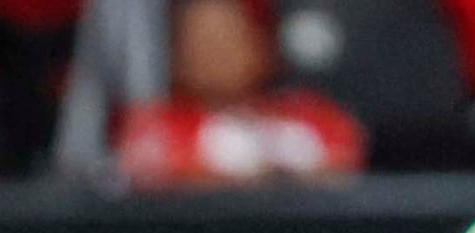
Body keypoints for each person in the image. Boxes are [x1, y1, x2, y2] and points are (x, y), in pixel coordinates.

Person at [113, 0, 366, 185]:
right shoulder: (157, 123)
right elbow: (152, 176)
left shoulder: (307, 116)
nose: (214, 56)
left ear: (261, 47)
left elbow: (343, 159)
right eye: (201, 43)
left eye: (227, 39)